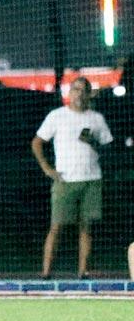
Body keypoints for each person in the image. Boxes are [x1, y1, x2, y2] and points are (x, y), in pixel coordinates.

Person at [31, 77, 112, 279]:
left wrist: (93, 140)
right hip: (65, 180)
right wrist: (47, 168)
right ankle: (46, 273)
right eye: (75, 89)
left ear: (88, 94)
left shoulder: (96, 118)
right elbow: (37, 142)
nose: (78, 93)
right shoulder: (57, 116)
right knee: (56, 226)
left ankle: (83, 272)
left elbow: (108, 145)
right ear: (69, 93)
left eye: (83, 90)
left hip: (91, 178)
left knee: (86, 227)